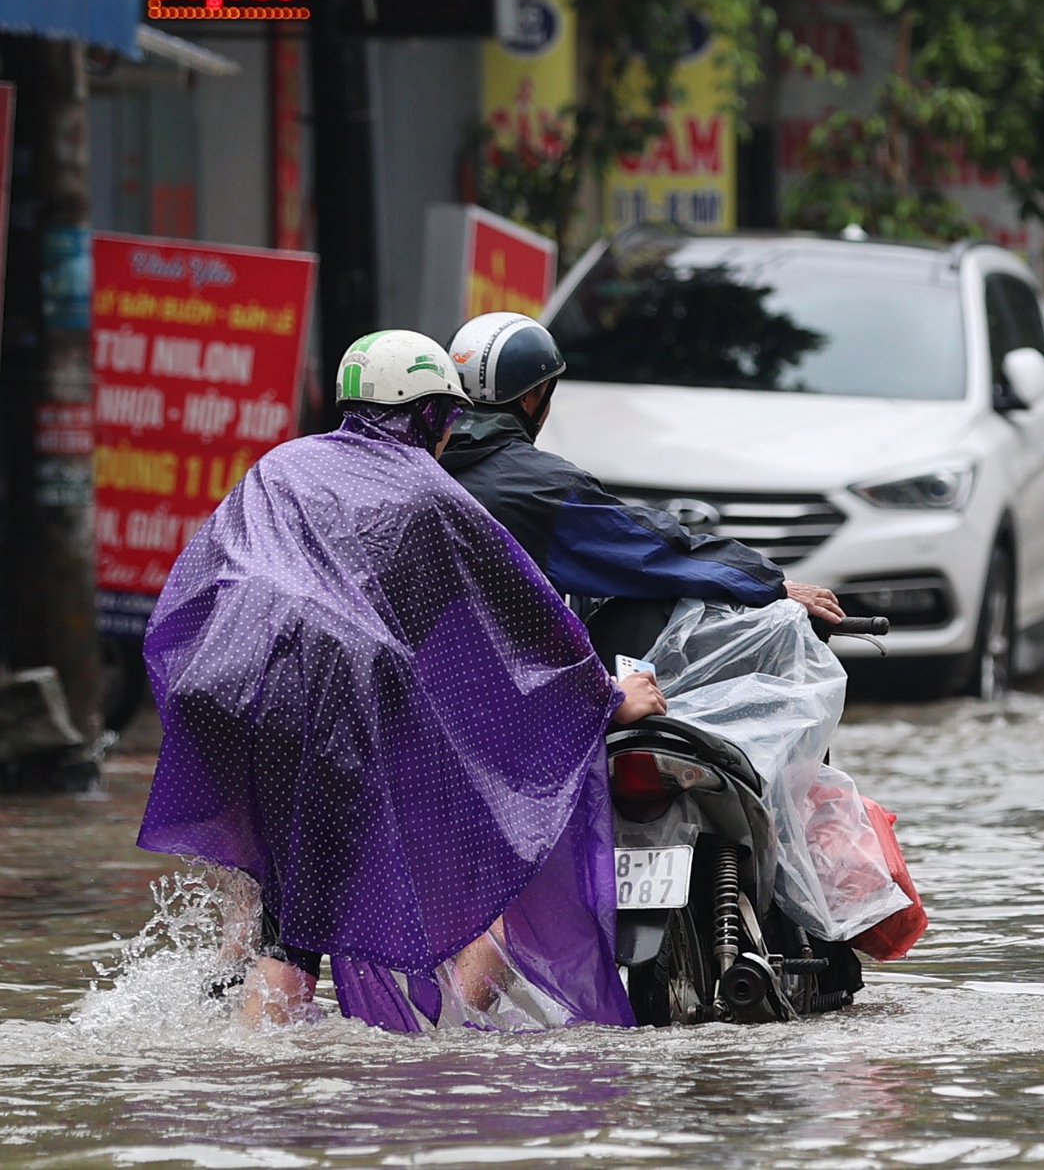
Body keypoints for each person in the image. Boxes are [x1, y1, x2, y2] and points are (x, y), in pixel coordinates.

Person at [139, 330, 670, 1031]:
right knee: (307, 926)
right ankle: (271, 1068)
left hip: (223, 691)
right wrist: (606, 697)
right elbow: (525, 615)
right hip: (326, 705)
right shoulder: (428, 490)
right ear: (429, 416)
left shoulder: (283, 465)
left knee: (279, 893)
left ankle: (235, 1012)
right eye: (446, 419)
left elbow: (202, 578)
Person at [440, 312, 842, 623]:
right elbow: (651, 551)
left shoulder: (407, 463)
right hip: (512, 692)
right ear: (533, 398)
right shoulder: (538, 487)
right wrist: (767, 583)